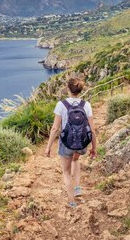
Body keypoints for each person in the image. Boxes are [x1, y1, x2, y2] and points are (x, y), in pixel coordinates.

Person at [45, 77, 97, 208]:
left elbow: (55, 128)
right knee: (76, 160)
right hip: (82, 144)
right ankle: (78, 188)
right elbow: (92, 129)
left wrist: (48, 147)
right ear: (79, 90)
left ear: (68, 89)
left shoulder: (61, 105)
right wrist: (94, 148)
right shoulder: (86, 105)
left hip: (66, 144)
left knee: (66, 172)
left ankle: (71, 201)